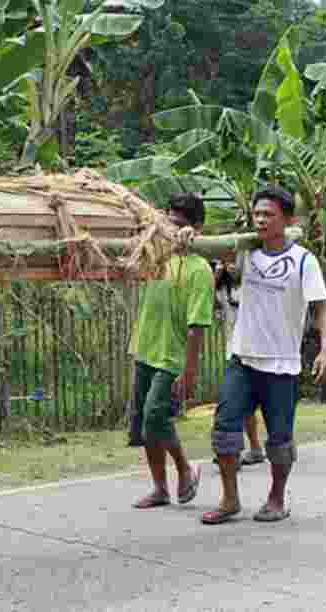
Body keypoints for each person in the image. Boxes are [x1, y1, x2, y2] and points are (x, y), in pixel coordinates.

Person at [203, 185, 326, 525]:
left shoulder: (304, 260)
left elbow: (323, 308)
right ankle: (230, 499)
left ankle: (277, 498)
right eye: (257, 214)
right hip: (242, 358)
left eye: (268, 214)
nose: (260, 220)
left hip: (282, 364)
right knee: (224, 431)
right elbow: (210, 251)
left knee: (279, 439)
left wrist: (325, 351)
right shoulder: (246, 252)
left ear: (287, 220)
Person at [127, 193, 213, 509]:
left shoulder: (199, 268)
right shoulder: (156, 255)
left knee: (154, 417)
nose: (172, 228)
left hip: (173, 357)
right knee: (145, 424)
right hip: (145, 349)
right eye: (168, 221)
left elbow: (197, 326)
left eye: (180, 223)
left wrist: (189, 371)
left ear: (196, 228)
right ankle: (160, 488)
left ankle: (185, 469)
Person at [213, 261, 265, 469]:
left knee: (248, 405)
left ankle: (254, 448)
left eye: (235, 261)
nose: (231, 266)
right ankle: (234, 452)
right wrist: (215, 277)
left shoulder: (253, 285)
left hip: (258, 349)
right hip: (233, 351)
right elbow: (205, 304)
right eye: (226, 262)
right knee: (235, 403)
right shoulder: (222, 290)